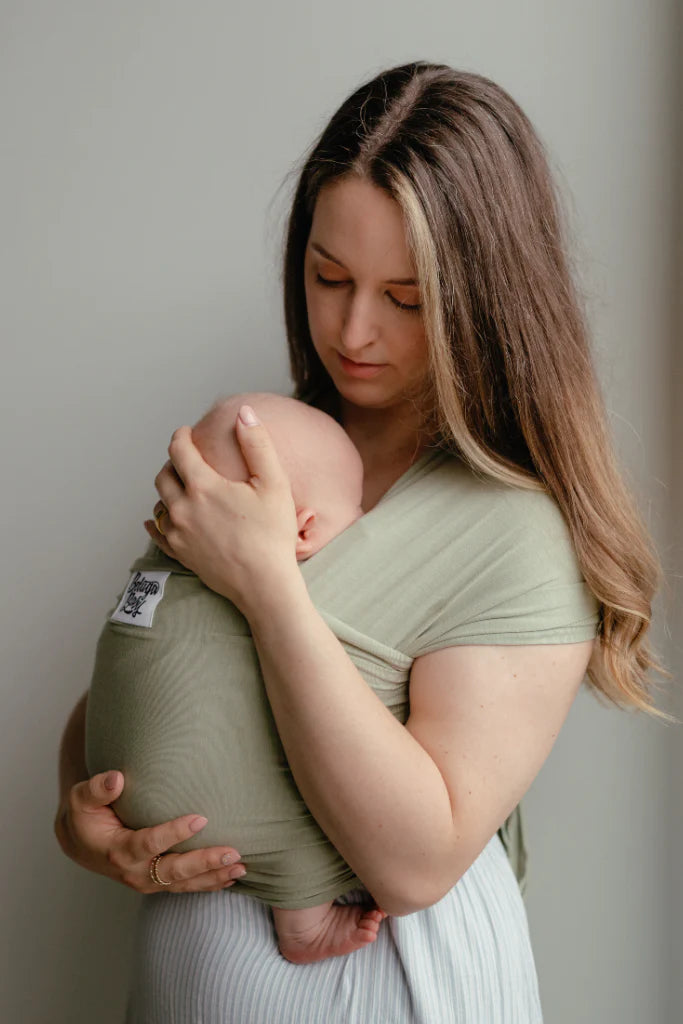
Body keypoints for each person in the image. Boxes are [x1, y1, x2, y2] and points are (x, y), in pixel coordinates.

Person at [55, 62, 669, 1022]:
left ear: (484, 298)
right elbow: (160, 670)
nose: (352, 330)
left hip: (392, 980)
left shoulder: (514, 529)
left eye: (406, 298)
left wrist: (266, 585)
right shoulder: (269, 447)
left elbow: (415, 860)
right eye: (327, 276)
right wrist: (87, 820)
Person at [85, 390, 390, 964]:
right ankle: (303, 924)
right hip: (212, 818)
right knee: (299, 827)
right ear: (304, 530)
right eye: (355, 507)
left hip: (112, 787)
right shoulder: (316, 583)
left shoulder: (159, 564)